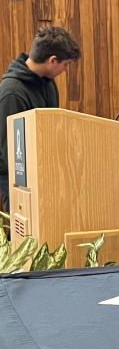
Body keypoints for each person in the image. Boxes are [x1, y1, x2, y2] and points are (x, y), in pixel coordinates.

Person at [0, 27, 81, 211]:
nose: (66, 70)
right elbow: (10, 154)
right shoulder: (12, 92)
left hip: (46, 177)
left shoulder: (48, 84)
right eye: (66, 64)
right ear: (53, 61)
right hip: (20, 183)